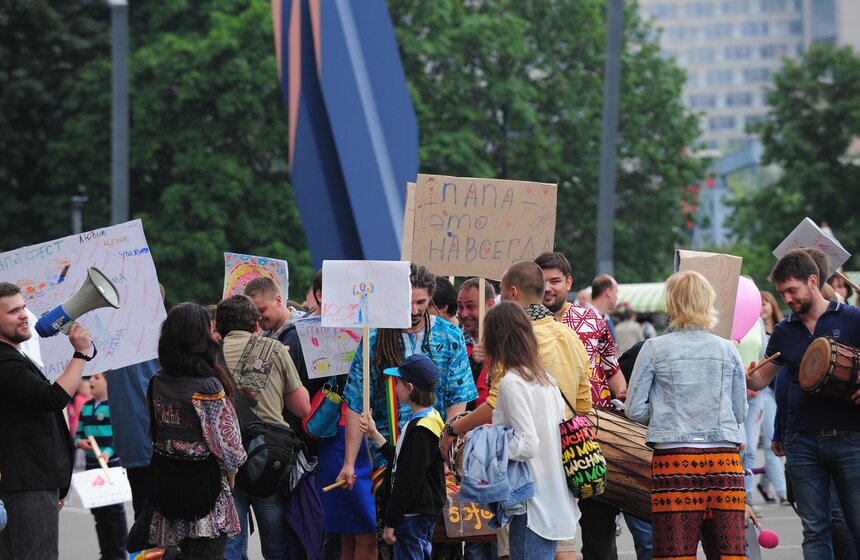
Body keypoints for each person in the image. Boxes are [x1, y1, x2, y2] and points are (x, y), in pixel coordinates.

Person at [440, 262, 591, 560]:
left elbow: (496, 408)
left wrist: (460, 431)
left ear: (511, 293)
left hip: (527, 484)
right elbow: (583, 406)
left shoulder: (515, 371)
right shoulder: (571, 339)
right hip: (563, 476)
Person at [335, 264, 477, 560]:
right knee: (393, 541)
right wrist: (349, 462)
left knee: (442, 542)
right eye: (406, 302)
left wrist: (446, 445)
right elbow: (356, 403)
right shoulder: (374, 338)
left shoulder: (450, 335)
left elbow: (458, 397)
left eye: (421, 303)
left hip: (436, 459)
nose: (413, 310)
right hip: (388, 460)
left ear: (431, 299)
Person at [746, 249, 860, 558]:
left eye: (792, 290)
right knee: (814, 530)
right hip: (801, 442)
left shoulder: (852, 318)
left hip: (849, 437)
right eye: (782, 293)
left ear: (812, 281)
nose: (787, 299)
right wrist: (746, 376)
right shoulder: (784, 331)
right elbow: (761, 380)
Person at [626, 270, 747, 559]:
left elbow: (634, 410)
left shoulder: (655, 348)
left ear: (672, 303)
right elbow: (740, 411)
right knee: (728, 550)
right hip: (723, 459)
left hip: (675, 460)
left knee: (675, 551)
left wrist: (663, 411)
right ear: (708, 302)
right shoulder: (727, 349)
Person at [535, 252, 625, 560]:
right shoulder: (520, 324)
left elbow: (613, 370)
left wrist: (627, 401)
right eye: (542, 281)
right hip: (542, 445)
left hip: (591, 439)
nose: (548, 288)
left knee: (598, 532)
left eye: (555, 281)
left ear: (569, 282)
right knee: (550, 537)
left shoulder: (593, 319)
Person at [0, 282, 93, 560]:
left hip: (31, 482)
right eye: (13, 311)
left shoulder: (13, 357)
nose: (24, 315)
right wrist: (80, 353)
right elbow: (51, 398)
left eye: (24, 308)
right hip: (27, 484)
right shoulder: (4, 361)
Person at [147, 302, 247, 557]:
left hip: (170, 486)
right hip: (205, 492)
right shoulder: (208, 386)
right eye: (210, 329)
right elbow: (229, 444)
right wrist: (232, 471)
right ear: (196, 338)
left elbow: (156, 432)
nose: (215, 335)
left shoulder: (157, 380)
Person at [218, 294, 310, 560]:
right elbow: (301, 408)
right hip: (268, 460)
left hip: (225, 462)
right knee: (276, 547)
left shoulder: (208, 356)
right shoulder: (274, 349)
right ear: (256, 325)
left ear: (219, 328)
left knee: (231, 547)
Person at [483, 302, 579, 560]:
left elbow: (526, 444)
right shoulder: (545, 378)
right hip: (553, 495)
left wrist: (493, 445)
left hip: (530, 502)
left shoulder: (513, 382)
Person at [360, 354, 445, 560]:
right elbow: (402, 460)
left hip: (411, 515)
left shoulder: (421, 430)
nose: (394, 388)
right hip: (414, 513)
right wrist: (374, 434)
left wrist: (391, 522)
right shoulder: (426, 418)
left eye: (397, 383)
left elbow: (408, 480)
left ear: (410, 387)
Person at [74, 372, 127, 559]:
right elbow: (78, 434)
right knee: (99, 513)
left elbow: (118, 437)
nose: (91, 381)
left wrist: (108, 452)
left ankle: (119, 553)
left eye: (97, 377)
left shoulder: (114, 406)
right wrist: (80, 443)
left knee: (114, 513)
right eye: (90, 378)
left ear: (108, 382)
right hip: (91, 466)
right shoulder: (86, 407)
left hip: (110, 466)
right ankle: (106, 553)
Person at [755, 290, 788, 505]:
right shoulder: (753, 330)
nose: (762, 307)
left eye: (765, 303)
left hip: (784, 388)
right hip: (764, 388)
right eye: (758, 303)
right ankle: (783, 491)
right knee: (771, 440)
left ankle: (765, 480)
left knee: (783, 439)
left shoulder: (784, 328)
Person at [457, 277, 496, 408]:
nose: (463, 313)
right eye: (460, 307)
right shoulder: (454, 341)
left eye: (470, 306)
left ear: (490, 305)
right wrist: (473, 364)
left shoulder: (506, 338)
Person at [244, 276, 306, 344]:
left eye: (261, 310)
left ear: (278, 300)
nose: (258, 318)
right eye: (253, 314)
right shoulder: (261, 335)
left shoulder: (305, 330)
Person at [590, 274, 619, 342]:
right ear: (608, 292)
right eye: (616, 291)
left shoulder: (605, 318)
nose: (617, 296)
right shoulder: (587, 318)